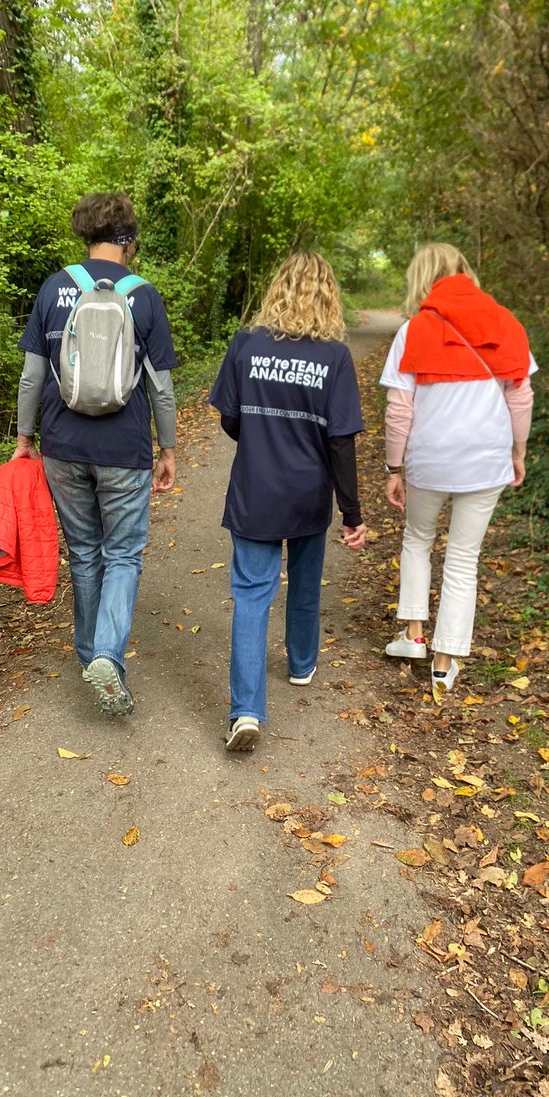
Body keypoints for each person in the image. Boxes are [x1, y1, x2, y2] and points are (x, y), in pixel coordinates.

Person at [12, 192, 177, 715]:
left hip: (63, 445)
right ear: (128, 238)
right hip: (124, 450)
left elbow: (32, 376)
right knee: (123, 552)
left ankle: (90, 657)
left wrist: (24, 439)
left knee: (84, 551)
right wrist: (168, 447)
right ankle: (108, 653)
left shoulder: (54, 287)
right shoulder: (144, 295)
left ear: (85, 232)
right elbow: (162, 388)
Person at [210, 252, 367, 752]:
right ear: (328, 296)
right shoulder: (334, 358)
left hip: (255, 489)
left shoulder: (246, 344)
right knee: (303, 579)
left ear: (278, 289)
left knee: (252, 595)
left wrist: (262, 434)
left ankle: (247, 712)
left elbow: (230, 421)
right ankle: (301, 664)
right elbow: (341, 441)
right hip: (308, 492)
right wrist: (352, 513)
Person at [380, 242, 535, 702]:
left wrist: (393, 466)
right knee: (464, 558)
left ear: (423, 277)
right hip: (487, 458)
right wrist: (518, 452)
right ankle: (444, 664)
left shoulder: (413, 329)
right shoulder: (507, 323)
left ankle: (413, 634)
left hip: (430, 457)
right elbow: (520, 397)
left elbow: (398, 409)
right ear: (465, 272)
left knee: (417, 538)